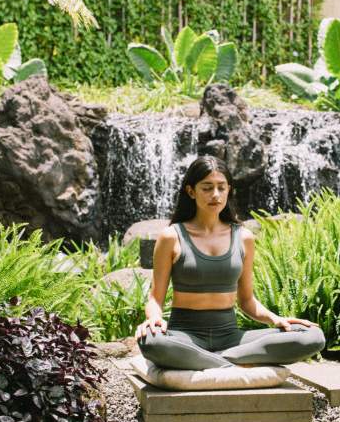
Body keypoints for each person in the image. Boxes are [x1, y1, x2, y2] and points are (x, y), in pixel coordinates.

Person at [135, 155, 325, 370]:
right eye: (207, 188)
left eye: (221, 187)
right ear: (191, 191)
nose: (215, 194)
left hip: (231, 337)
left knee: (312, 336)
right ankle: (231, 362)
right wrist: (154, 319)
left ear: (229, 190)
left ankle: (211, 360)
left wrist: (276, 319)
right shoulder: (171, 236)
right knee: (151, 342)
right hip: (184, 336)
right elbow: (154, 299)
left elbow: (247, 301)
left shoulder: (243, 237)